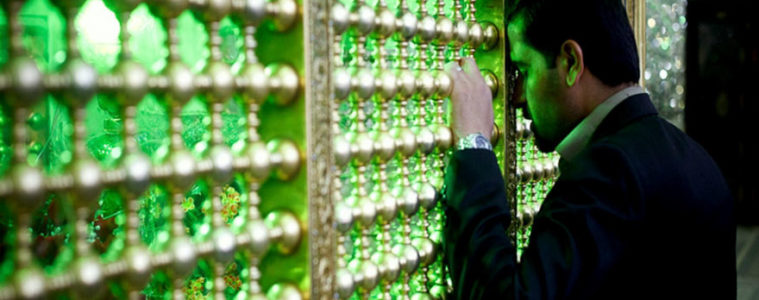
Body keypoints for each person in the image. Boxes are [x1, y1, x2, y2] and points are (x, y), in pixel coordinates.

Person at [442, 0, 735, 299]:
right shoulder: (694, 157)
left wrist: (473, 143)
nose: (515, 97)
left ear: (570, 62)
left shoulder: (608, 172)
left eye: (524, 70)